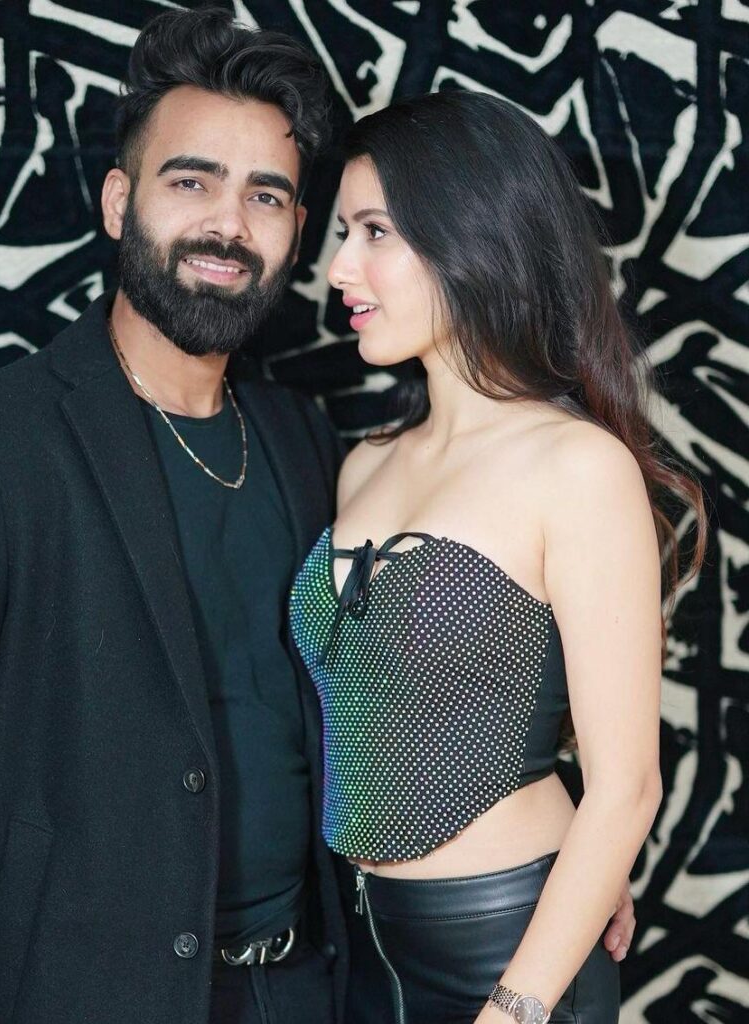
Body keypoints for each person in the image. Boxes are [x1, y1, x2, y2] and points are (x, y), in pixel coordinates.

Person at [0, 9, 636, 1024]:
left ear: (294, 228)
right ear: (119, 202)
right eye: (191, 182)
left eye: (265, 195)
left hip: (323, 983)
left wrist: (574, 857)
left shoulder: (308, 443)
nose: (228, 224)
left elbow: (420, 673)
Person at [288, 91, 706, 1024]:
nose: (339, 269)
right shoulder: (365, 464)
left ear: (470, 236)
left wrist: (515, 1007)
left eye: (374, 232)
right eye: (343, 234)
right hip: (361, 944)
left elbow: (628, 786)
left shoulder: (577, 466)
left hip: (506, 947)